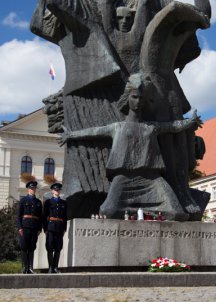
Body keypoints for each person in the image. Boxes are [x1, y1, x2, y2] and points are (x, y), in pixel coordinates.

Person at [59, 74, 202, 220]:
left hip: (151, 179)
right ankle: (135, 215)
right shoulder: (117, 127)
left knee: (176, 212)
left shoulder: (151, 127)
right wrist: (71, 135)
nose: (138, 101)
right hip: (124, 178)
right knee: (107, 211)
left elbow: (172, 127)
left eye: (141, 98)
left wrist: (190, 122)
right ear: (127, 97)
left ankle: (142, 215)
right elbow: (93, 132)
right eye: (134, 97)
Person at [16, 180, 43, 274]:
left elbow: (40, 217)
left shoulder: (38, 202)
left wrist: (39, 229)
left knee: (32, 247)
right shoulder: (23, 200)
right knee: (24, 247)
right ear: (28, 189)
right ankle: (24, 267)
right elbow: (19, 215)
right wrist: (19, 227)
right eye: (31, 188)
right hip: (24, 227)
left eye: (34, 188)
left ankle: (31, 268)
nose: (33, 190)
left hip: (34, 228)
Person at [43, 182, 67, 273]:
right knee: (49, 247)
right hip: (50, 227)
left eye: (58, 190)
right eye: (55, 190)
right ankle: (50, 267)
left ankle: (56, 267)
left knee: (58, 247)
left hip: (60, 227)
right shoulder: (48, 202)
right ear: (52, 191)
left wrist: (64, 228)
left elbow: (65, 217)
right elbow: (44, 216)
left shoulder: (64, 203)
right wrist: (45, 229)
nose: (57, 191)